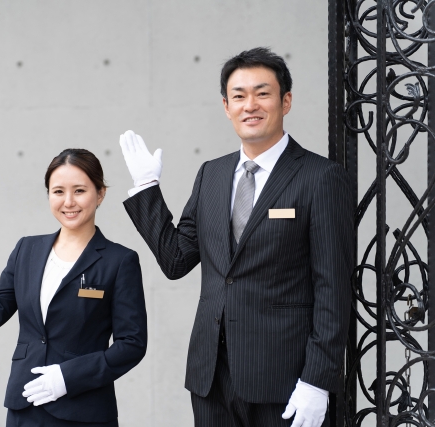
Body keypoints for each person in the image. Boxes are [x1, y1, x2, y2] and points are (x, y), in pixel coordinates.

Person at [118, 47, 354, 427]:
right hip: (212, 378)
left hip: (287, 381)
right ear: (226, 107)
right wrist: (147, 187)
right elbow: (176, 259)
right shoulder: (211, 174)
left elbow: (333, 288)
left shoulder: (320, 178)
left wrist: (317, 380)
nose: (250, 105)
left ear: (285, 101)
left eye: (263, 93)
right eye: (239, 96)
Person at [0, 148, 147, 427]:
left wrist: (68, 378)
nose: (68, 202)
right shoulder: (26, 250)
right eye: (58, 192)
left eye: (79, 190)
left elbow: (132, 345)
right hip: (26, 406)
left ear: (100, 193)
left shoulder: (119, 261)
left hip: (84, 410)